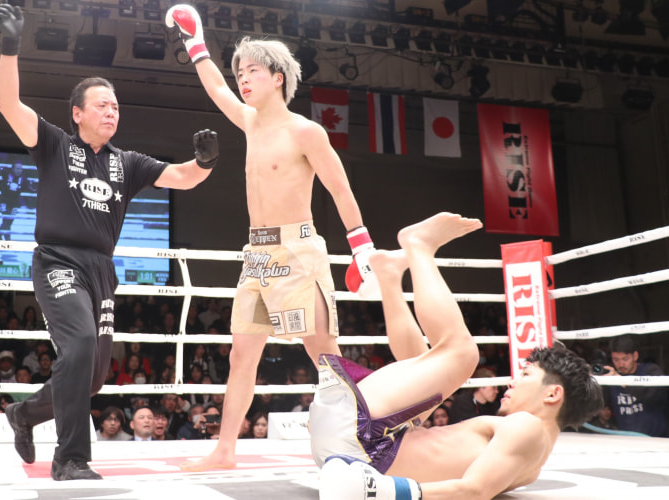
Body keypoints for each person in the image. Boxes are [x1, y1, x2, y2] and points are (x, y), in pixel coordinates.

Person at [0, 1, 217, 481]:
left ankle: (24, 414)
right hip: (58, 260)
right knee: (77, 348)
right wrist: (10, 47)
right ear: (77, 113)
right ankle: (70, 459)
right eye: (102, 105)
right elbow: (9, 105)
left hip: (101, 270)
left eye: (115, 106)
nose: (111, 111)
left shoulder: (127, 162)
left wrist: (205, 162)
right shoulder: (55, 143)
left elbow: (183, 177)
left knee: (91, 377)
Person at [166, 5, 377, 471]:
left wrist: (362, 247)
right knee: (242, 355)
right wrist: (195, 42)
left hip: (298, 250)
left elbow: (340, 188)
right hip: (256, 253)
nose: (243, 80)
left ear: (278, 77)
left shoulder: (306, 131)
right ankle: (224, 450)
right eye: (240, 72)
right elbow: (216, 88)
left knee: (325, 356)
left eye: (253, 72)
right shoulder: (250, 121)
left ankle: (370, 439)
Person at [309, 213, 604, 500]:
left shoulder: (527, 428)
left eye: (526, 375)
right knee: (425, 360)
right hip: (357, 450)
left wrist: (382, 492)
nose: (512, 382)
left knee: (461, 354)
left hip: (360, 441)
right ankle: (389, 278)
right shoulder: (531, 467)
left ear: (553, 394)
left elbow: (475, 491)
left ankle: (419, 246)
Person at [599, 335, 667, 437]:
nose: (621, 364)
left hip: (657, 438)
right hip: (627, 439)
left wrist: (622, 382)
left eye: (625, 359)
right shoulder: (611, 377)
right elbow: (604, 404)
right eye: (616, 360)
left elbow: (652, 396)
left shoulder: (650, 371)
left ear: (635, 356)